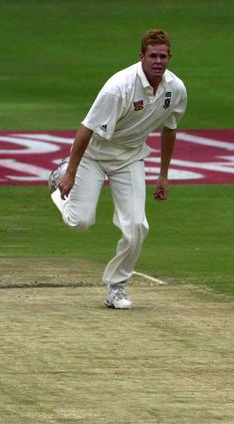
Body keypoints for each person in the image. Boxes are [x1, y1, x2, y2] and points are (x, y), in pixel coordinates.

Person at [50, 29, 187, 309]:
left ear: (170, 57)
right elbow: (86, 128)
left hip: (130, 157)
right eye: (152, 56)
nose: (158, 61)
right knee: (80, 221)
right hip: (95, 154)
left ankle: (117, 287)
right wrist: (71, 172)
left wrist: (163, 174)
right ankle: (58, 176)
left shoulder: (176, 89)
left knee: (137, 225)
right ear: (141, 57)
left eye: (163, 56)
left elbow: (170, 129)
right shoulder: (119, 86)